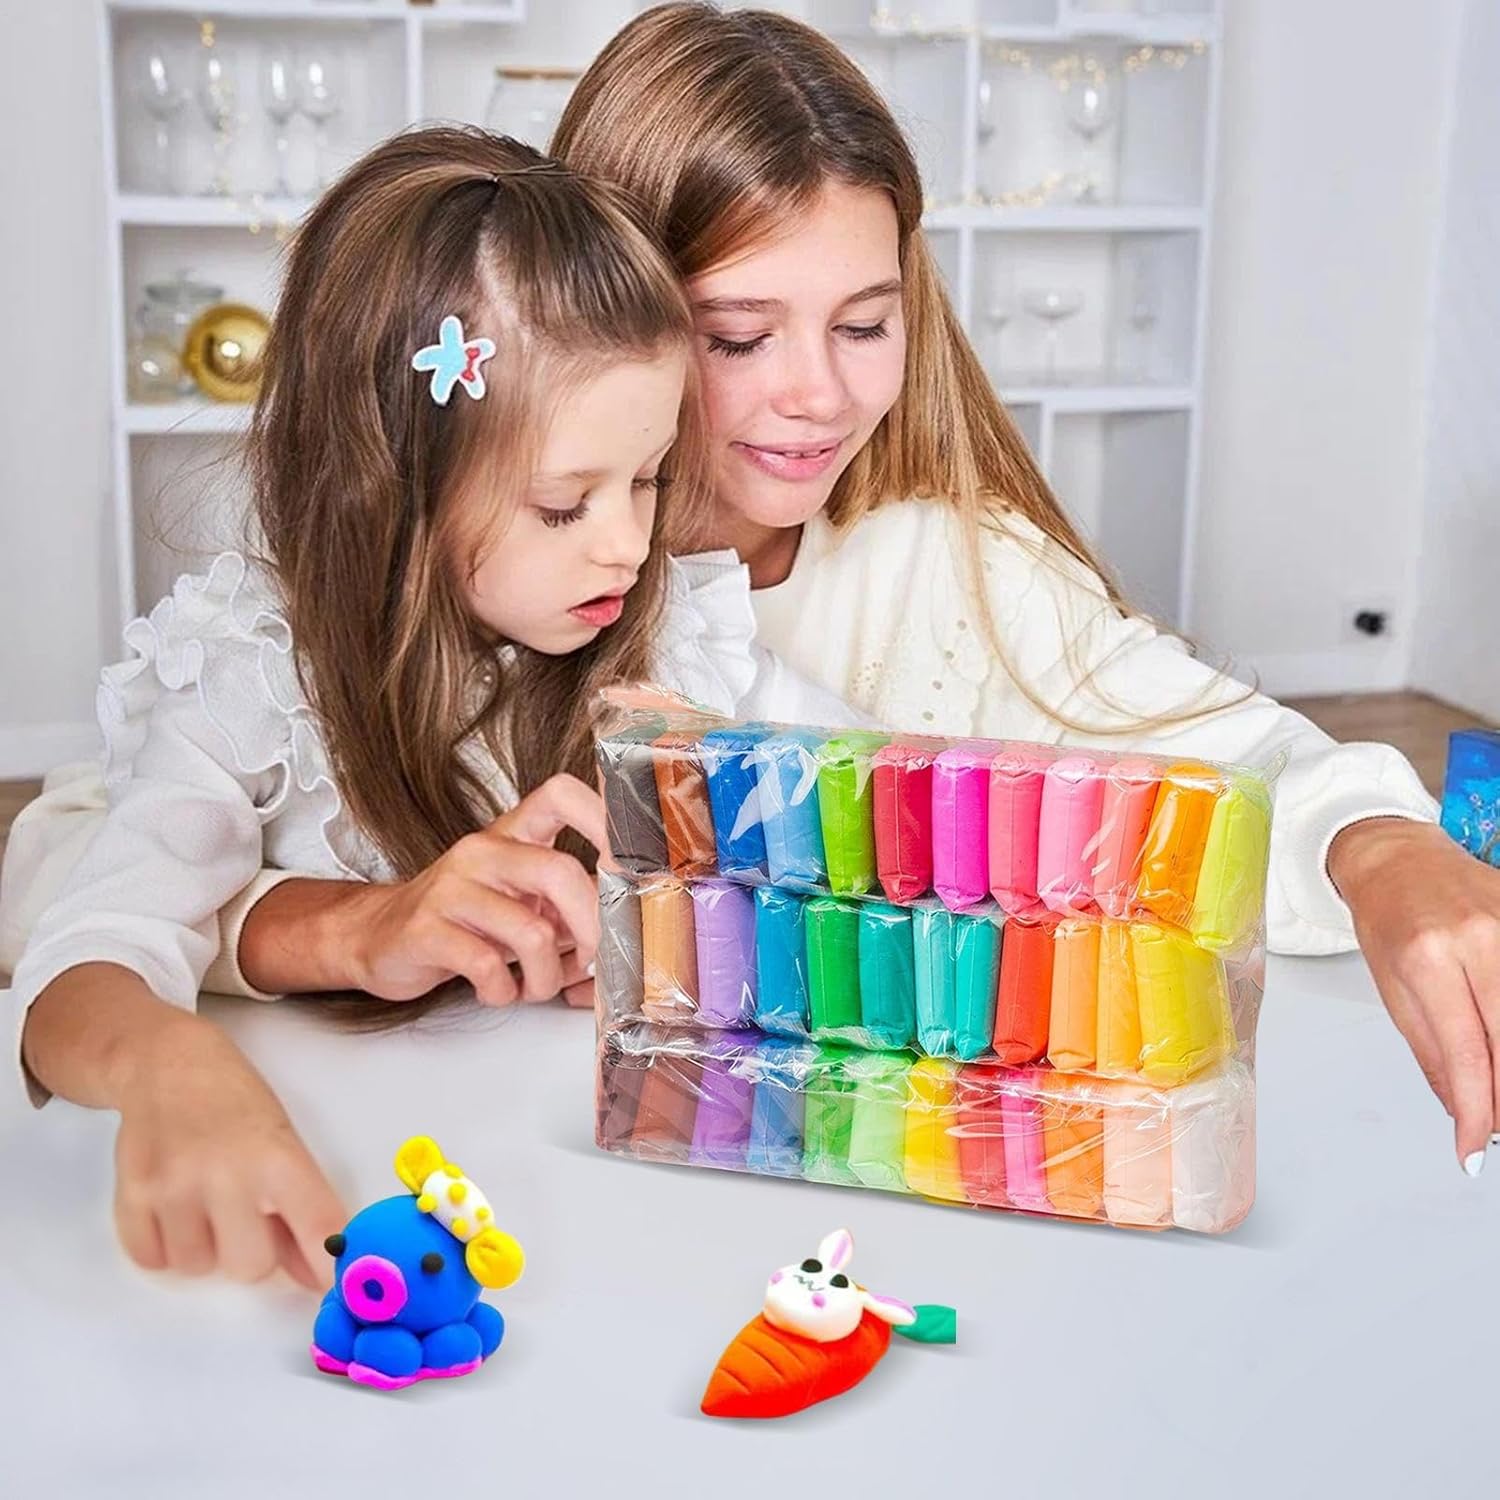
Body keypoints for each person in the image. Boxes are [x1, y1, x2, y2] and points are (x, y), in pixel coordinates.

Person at [550, 3, 1500, 1173]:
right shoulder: (506, 580)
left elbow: (1223, 749)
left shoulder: (952, 573)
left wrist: (1381, 846)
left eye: (864, 325)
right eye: (739, 338)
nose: (820, 396)